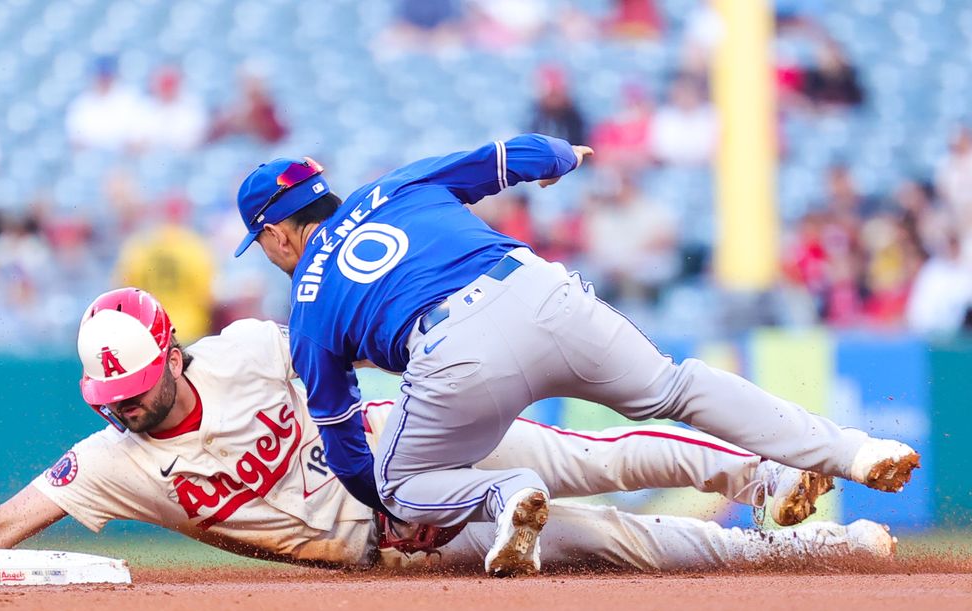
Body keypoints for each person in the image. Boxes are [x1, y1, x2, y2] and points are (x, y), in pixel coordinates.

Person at [232, 134, 920, 576]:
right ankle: (850, 450)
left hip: (452, 354)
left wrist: (384, 509)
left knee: (396, 482)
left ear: (276, 236)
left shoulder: (309, 303)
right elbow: (512, 156)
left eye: (262, 243)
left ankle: (508, 494)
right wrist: (562, 160)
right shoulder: (394, 187)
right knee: (676, 388)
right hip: (541, 292)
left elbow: (343, 436)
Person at [0, 287, 896, 573]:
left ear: (169, 351)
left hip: (407, 445)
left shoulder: (249, 348)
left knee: (597, 451)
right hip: (396, 538)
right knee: (606, 540)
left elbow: (357, 350)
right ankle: (804, 544)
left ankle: (767, 475)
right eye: (106, 393)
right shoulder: (115, 464)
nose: (121, 403)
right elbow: (4, 520)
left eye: (132, 382)